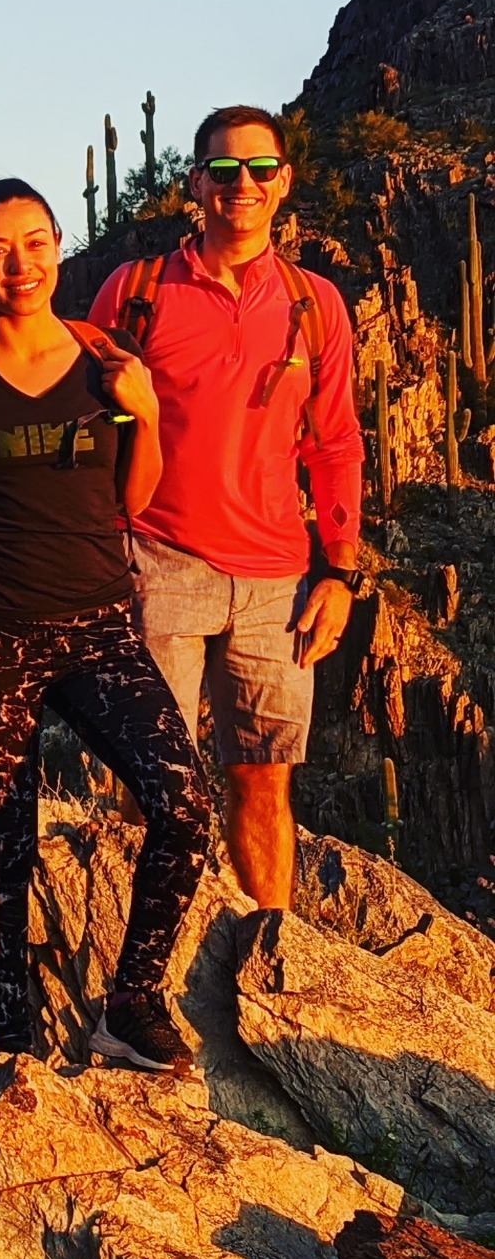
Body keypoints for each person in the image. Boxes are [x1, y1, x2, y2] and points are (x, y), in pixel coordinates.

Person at [0, 179, 212, 1071]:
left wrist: (149, 410)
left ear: (59, 244)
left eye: (34, 241)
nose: (19, 263)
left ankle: (130, 1000)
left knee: (184, 801)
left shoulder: (106, 360)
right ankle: (15, 1047)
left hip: (100, 622)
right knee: (4, 846)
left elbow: (131, 499)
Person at [89, 106, 364, 910]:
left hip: (278, 582)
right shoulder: (136, 292)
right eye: (221, 169)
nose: (239, 185)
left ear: (283, 183)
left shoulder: (316, 306)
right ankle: (144, 968)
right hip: (159, 563)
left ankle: (262, 948)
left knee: (263, 783)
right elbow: (92, 426)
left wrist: (339, 572)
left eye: (257, 169)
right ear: (193, 184)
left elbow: (336, 444)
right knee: (150, 786)